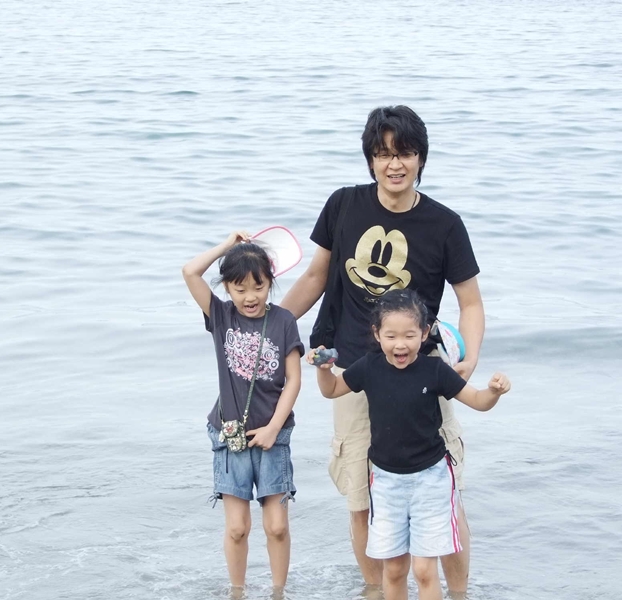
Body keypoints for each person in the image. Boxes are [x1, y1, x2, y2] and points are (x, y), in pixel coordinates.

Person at [280, 105, 485, 593]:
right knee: (360, 496)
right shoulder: (343, 205)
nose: (395, 164)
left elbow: (471, 301)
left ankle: (458, 594)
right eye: (383, 154)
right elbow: (314, 277)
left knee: (445, 496)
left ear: (421, 159)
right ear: (370, 159)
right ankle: (376, 592)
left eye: (405, 153)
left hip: (423, 371)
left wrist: (468, 358)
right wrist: (274, 330)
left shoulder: (445, 224)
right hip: (354, 369)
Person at [308, 290, 510, 600]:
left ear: (424, 333)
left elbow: (478, 401)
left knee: (425, 570)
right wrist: (324, 370)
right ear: (377, 334)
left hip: (431, 480)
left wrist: (493, 392)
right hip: (385, 483)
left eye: (409, 335)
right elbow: (332, 389)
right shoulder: (369, 366)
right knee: (394, 569)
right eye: (391, 336)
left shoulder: (435, 370)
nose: (400, 344)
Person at [182, 232, 305, 595]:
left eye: (259, 287)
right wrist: (227, 246)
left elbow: (294, 381)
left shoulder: (284, 321)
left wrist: (273, 428)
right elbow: (190, 272)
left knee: (277, 526)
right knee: (237, 528)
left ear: (270, 282)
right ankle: (237, 591)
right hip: (230, 434)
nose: (250, 296)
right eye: (240, 289)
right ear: (227, 288)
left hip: (273, 436)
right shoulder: (220, 315)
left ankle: (278, 592)